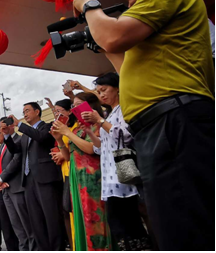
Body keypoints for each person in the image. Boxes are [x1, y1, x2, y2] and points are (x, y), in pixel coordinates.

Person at [72, 0, 215, 250]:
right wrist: (98, 34)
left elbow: (113, 35)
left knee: (183, 225)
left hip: (173, 119)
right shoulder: (157, 28)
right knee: (170, 223)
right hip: (161, 125)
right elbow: (124, 65)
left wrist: (90, 4)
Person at [80, 73, 152, 250]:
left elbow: (125, 135)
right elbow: (101, 147)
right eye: (98, 91)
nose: (101, 94)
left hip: (122, 176)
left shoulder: (124, 108)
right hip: (111, 176)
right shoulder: (111, 113)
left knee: (127, 223)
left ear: (118, 88)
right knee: (118, 223)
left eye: (104, 90)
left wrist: (99, 120)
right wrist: (90, 133)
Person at [0, 102, 64, 251]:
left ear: (37, 111)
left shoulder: (47, 126)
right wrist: (8, 135)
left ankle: (56, 247)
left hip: (45, 179)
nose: (25, 114)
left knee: (51, 217)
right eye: (23, 112)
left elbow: (42, 138)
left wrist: (19, 125)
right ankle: (42, 248)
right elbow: (16, 150)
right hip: (28, 181)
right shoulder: (25, 136)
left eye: (27, 111)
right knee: (36, 219)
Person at [51, 93, 110, 250]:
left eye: (78, 104)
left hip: (92, 177)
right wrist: (58, 139)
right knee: (80, 217)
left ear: (89, 106)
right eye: (73, 105)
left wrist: (67, 133)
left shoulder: (97, 125)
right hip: (76, 176)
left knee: (93, 218)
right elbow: (67, 156)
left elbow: (91, 149)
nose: (74, 108)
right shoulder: (77, 127)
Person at [50, 99, 78, 250]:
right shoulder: (61, 129)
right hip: (65, 173)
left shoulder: (75, 127)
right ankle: (74, 245)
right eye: (55, 111)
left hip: (77, 172)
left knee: (73, 211)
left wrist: (63, 154)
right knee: (67, 211)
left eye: (60, 110)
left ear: (69, 111)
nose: (57, 114)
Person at [0, 123, 20, 251]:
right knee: (7, 224)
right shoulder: (0, 149)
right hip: (1, 189)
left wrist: (2, 179)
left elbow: (16, 162)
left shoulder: (15, 142)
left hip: (13, 186)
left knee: (18, 224)